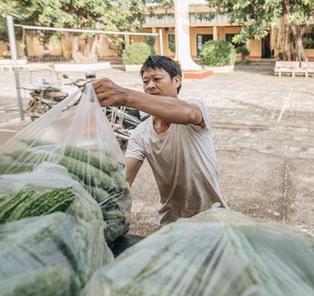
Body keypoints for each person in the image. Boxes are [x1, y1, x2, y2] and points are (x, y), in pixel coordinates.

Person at [93, 55, 227, 225]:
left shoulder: (193, 108)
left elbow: (188, 113)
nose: (150, 86)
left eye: (156, 79)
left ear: (176, 81)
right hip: (170, 221)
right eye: (145, 81)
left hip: (210, 216)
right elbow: (125, 178)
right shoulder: (141, 133)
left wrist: (126, 96)